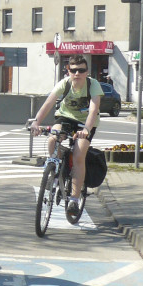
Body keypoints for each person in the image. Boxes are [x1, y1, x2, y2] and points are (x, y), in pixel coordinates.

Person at [29, 54, 101, 217]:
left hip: (86, 123)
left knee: (78, 155)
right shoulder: (64, 84)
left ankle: (74, 200)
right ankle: (55, 169)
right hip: (65, 118)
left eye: (81, 70)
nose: (77, 74)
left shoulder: (93, 85)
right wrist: (36, 122)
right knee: (52, 139)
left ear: (86, 71)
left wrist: (86, 130)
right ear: (68, 71)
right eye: (73, 70)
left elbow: (93, 109)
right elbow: (48, 103)